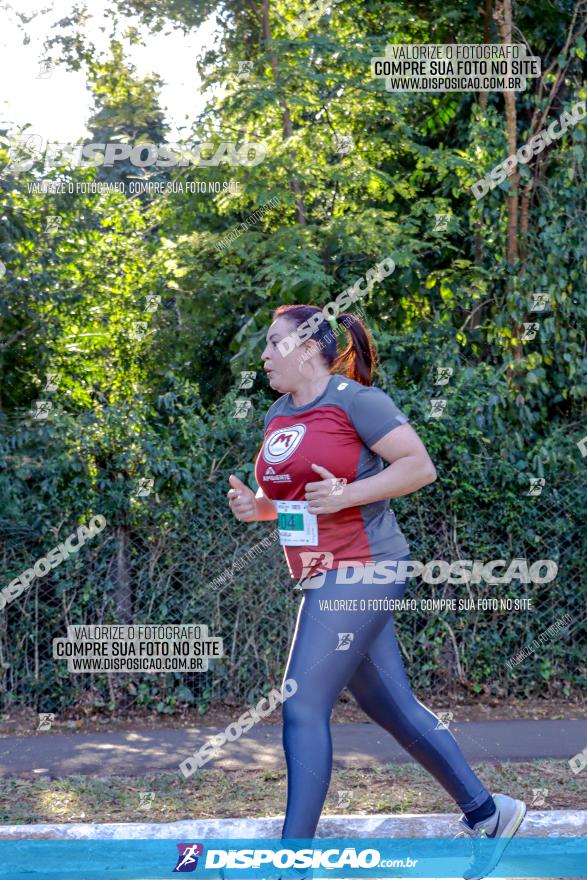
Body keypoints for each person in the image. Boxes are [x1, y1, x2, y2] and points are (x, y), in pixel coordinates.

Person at [227, 304, 526, 880]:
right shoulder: (278, 413)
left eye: (272, 344)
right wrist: (255, 508)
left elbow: (419, 467)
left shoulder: (357, 401)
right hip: (321, 572)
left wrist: (347, 496)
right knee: (390, 707)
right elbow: (288, 500)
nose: (263, 356)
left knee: (302, 705)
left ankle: (292, 864)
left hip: (365, 568)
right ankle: (490, 814)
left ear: (308, 349)